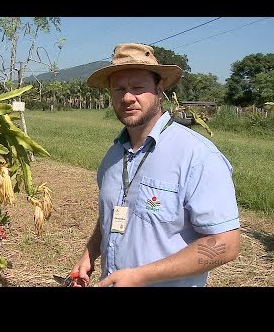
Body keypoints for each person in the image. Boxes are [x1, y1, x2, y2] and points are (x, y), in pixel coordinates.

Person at [71, 43, 240, 287]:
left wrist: (140, 276)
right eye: (119, 89)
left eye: (138, 88)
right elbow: (113, 212)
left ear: (159, 90)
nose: (128, 97)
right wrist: (90, 252)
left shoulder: (197, 156)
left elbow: (227, 244)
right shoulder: (113, 156)